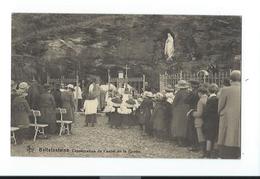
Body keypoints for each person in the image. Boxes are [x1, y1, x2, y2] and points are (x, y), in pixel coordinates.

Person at [217, 70, 241, 159]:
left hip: (227, 116)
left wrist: (220, 112)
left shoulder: (225, 90)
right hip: (239, 116)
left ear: (231, 80)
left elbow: (220, 105)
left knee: (226, 136)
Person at [170, 80, 190, 146]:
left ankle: (180, 141)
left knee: (178, 125)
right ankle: (185, 140)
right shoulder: (188, 92)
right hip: (186, 109)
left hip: (179, 110)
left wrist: (173, 108)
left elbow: (174, 103)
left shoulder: (178, 93)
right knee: (185, 125)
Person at [202, 83, 219, 158]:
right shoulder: (217, 99)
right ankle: (214, 153)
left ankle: (208, 153)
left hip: (209, 120)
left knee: (208, 137)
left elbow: (206, 111)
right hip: (216, 120)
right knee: (215, 136)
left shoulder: (210, 99)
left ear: (209, 91)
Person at [190, 86, 208, 156]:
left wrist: (192, 113)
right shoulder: (207, 98)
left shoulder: (200, 101)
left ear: (200, 93)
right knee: (205, 136)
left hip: (199, 121)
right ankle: (205, 151)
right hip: (205, 120)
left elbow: (199, 113)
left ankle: (203, 152)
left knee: (201, 137)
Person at [184, 80, 200, 151]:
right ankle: (197, 145)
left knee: (193, 128)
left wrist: (189, 93)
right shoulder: (198, 92)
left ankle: (195, 146)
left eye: (191, 84)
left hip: (193, 110)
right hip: (197, 109)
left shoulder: (193, 93)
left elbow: (186, 100)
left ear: (194, 85)